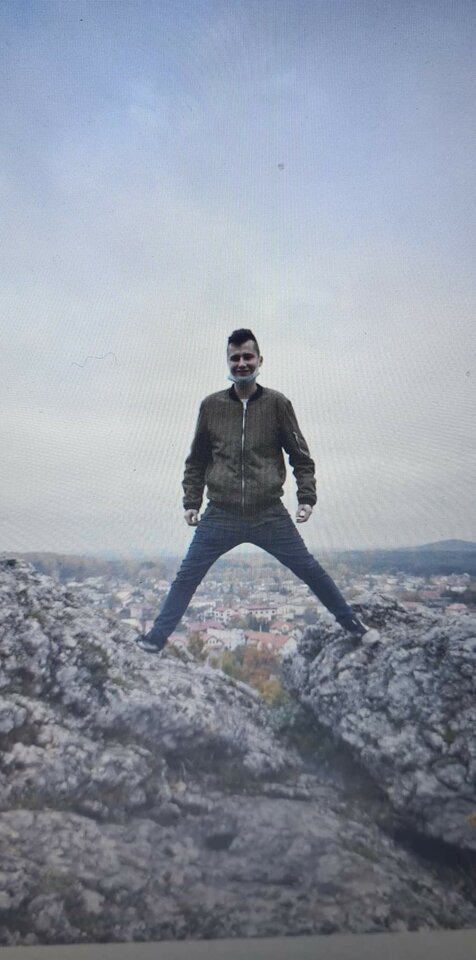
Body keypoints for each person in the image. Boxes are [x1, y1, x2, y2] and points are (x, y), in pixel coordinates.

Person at [136, 329, 372, 653]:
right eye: (235, 358)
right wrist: (191, 501)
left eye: (248, 357)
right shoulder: (211, 406)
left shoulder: (277, 404)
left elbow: (301, 457)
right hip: (221, 513)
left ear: (260, 360)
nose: (242, 363)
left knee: (310, 569)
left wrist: (306, 497)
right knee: (187, 576)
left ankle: (355, 626)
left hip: (268, 513)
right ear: (228, 362)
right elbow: (197, 460)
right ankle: (155, 639)